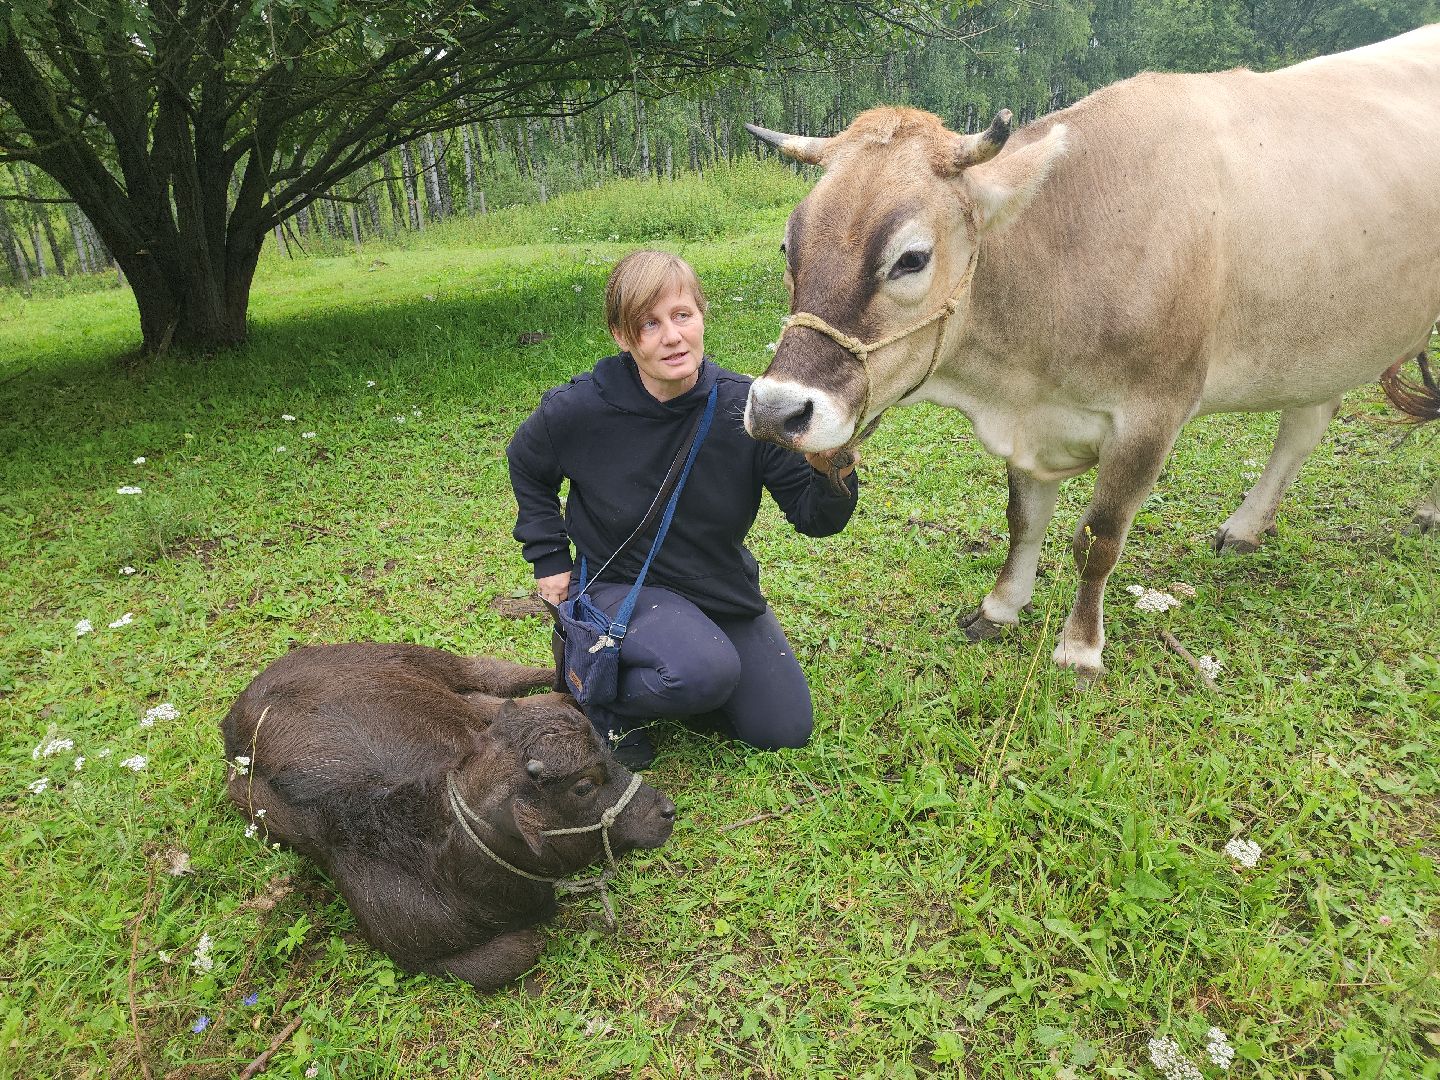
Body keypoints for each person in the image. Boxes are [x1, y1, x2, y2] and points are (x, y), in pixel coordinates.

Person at [506, 250, 859, 768]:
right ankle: (595, 699)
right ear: (623, 337)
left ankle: (682, 679)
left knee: (783, 728)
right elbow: (527, 464)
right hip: (618, 582)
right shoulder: (580, 409)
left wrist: (833, 469)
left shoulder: (745, 408)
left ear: (701, 316)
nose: (672, 337)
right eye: (649, 324)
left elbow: (814, 518)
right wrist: (549, 558)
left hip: (714, 584)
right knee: (705, 670)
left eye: (682, 316)